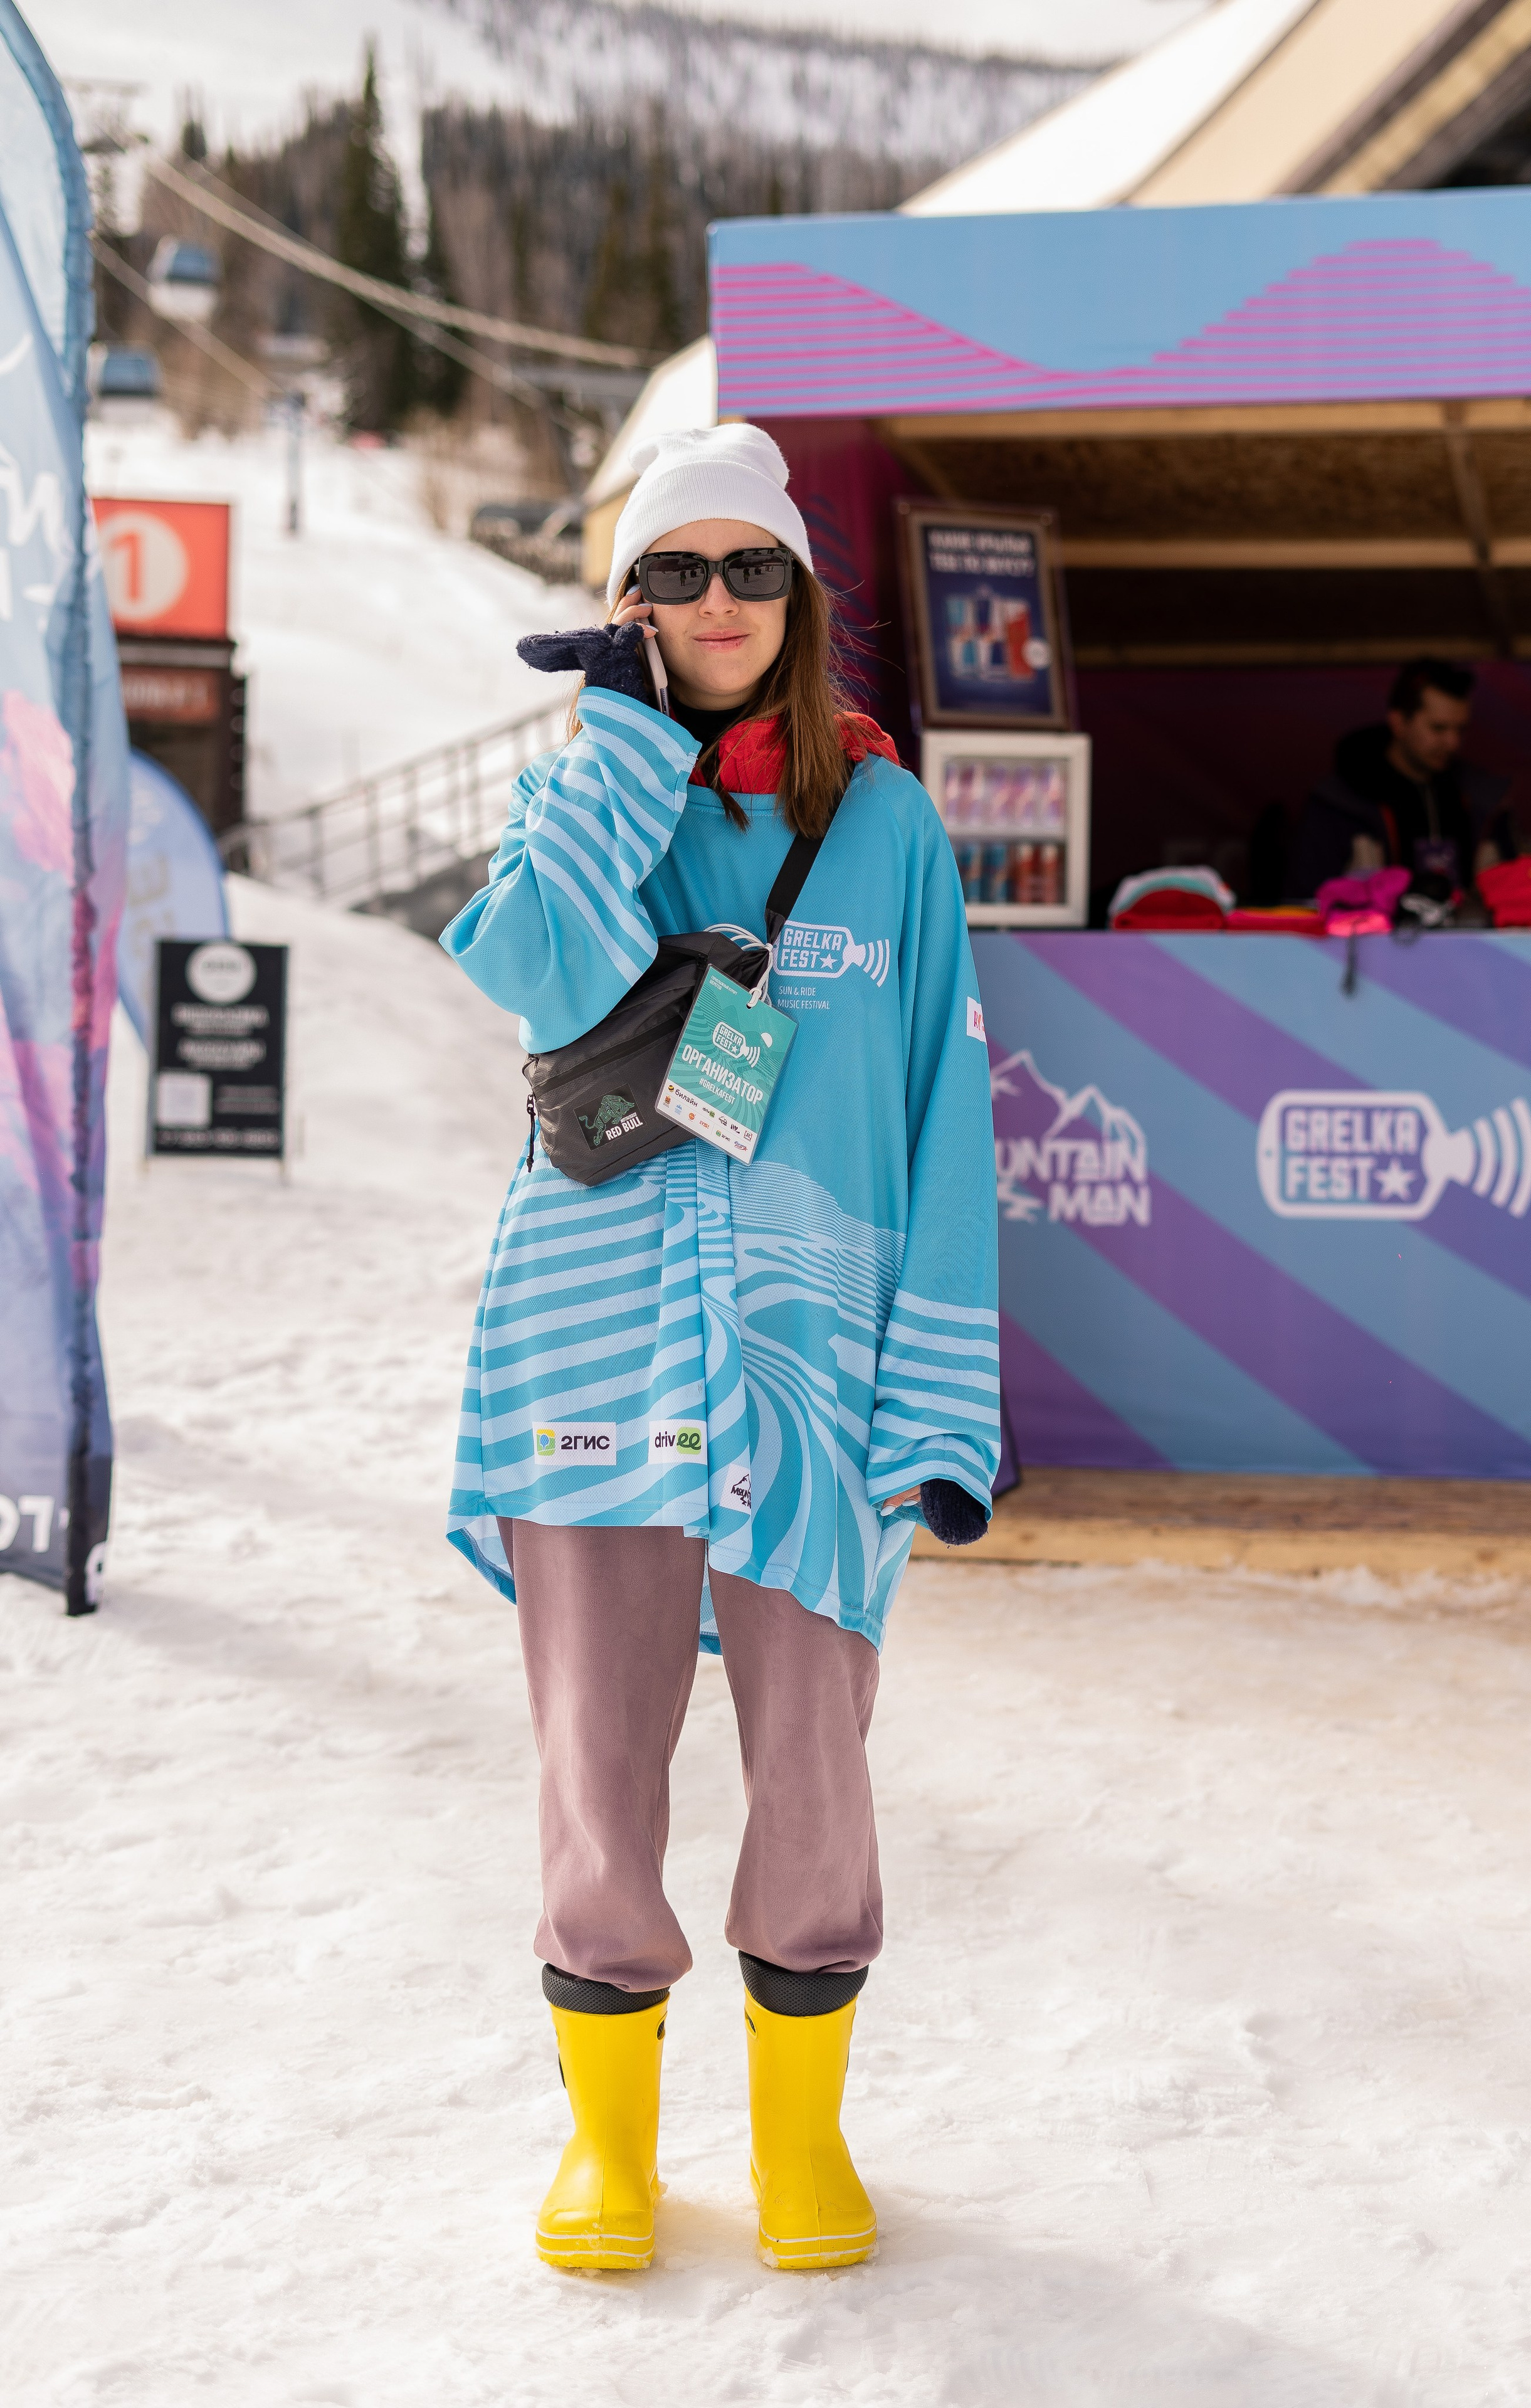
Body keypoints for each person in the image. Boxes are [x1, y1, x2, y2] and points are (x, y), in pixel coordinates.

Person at [439, 424, 1000, 2276]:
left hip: (806, 1363)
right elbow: (528, 972)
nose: (711, 602)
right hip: (587, 1340)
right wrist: (622, 747)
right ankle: (608, 2145)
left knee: (814, 1764)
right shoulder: (590, 792)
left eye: (745, 567)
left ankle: (799, 2135)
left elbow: (940, 1111)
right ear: (622, 604)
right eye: (666, 572)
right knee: (596, 1760)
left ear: (800, 595)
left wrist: (933, 1392)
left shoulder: (889, 825)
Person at [1292, 657, 1515, 899]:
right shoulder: (1339, 803)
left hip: (1467, 936)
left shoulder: (1479, 799)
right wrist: (1353, 891)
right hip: (1370, 936)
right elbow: (1302, 899)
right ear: (1399, 723)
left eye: (1460, 729)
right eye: (1438, 728)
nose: (1452, 743)